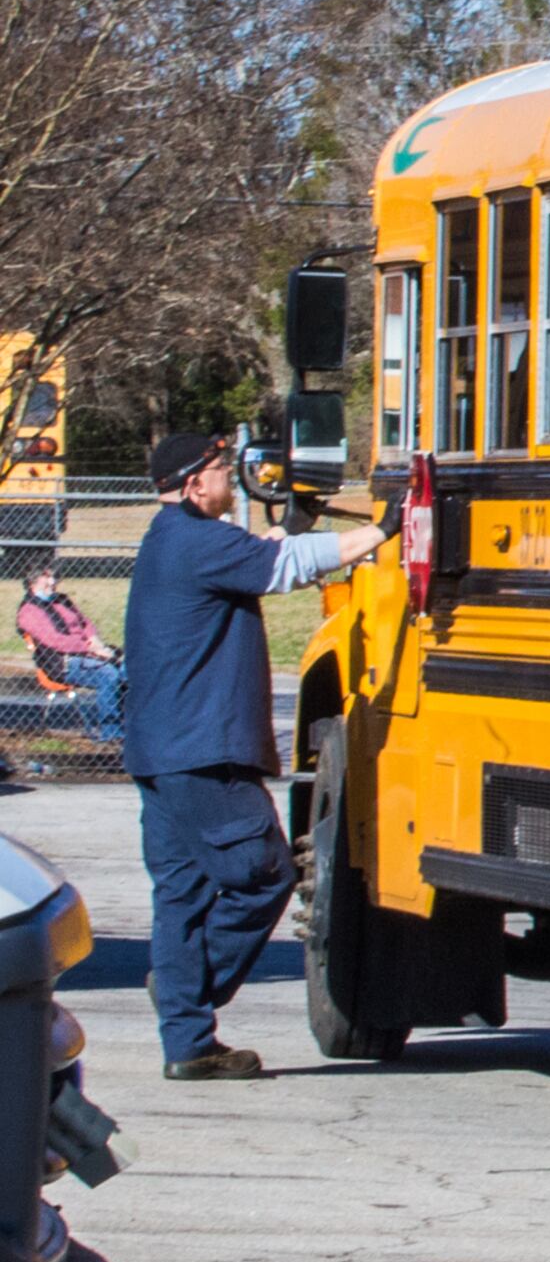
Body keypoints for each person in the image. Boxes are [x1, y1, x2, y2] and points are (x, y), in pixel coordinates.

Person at [122, 433, 391, 1082]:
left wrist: (284, 534)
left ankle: (188, 1044)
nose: (232, 479)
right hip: (204, 753)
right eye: (222, 469)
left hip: (163, 753)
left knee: (181, 896)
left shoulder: (170, 539)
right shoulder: (198, 542)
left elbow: (262, 554)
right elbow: (288, 565)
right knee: (264, 872)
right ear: (193, 484)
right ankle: (188, 992)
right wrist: (384, 530)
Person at [19, 569, 123, 740]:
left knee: (127, 670)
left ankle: (132, 725)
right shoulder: (28, 611)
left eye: (54, 577)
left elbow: (85, 623)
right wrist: (91, 649)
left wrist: (94, 639)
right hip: (62, 663)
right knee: (108, 674)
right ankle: (112, 734)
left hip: (89, 653)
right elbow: (55, 641)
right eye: (47, 578)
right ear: (32, 583)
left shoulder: (62, 600)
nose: (53, 582)